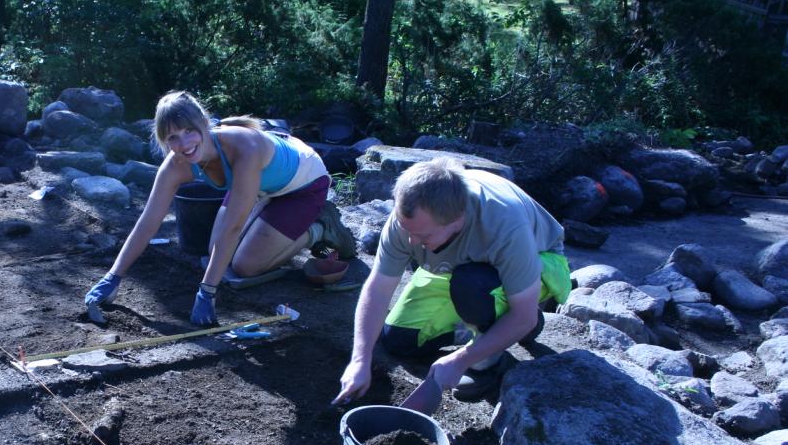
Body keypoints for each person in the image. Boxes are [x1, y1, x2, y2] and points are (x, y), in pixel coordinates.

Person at [84, 91, 356, 325]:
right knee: (215, 252)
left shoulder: (242, 148)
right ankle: (274, 217)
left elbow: (233, 228)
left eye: (189, 131)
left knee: (245, 265)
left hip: (302, 184)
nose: (184, 144)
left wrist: (207, 291)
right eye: (173, 138)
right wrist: (113, 276)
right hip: (259, 188)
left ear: (204, 124)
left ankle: (321, 228)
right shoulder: (176, 164)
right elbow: (148, 222)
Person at [333, 157, 571, 405]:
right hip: (456, 268)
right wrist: (360, 359)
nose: (412, 242)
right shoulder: (409, 221)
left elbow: (523, 316)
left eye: (422, 235)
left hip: (539, 264)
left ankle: (486, 364)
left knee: (472, 285)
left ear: (458, 219)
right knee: (399, 338)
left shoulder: (504, 225)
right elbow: (379, 288)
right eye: (407, 231)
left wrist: (462, 360)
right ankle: (491, 327)